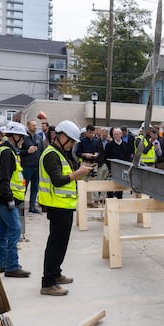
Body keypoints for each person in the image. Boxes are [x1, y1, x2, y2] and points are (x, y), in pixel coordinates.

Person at [38, 120, 94, 296]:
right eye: (70, 141)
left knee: (61, 243)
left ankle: (55, 273)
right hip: (57, 206)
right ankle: (48, 283)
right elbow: (58, 180)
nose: (71, 145)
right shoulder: (51, 155)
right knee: (55, 244)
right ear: (60, 136)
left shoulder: (60, 153)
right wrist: (78, 174)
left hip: (63, 205)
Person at [0, 121, 30, 278]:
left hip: (4, 198)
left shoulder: (7, 151)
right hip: (5, 198)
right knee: (15, 229)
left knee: (5, 231)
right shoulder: (7, 152)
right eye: (22, 137)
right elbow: (3, 179)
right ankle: (12, 266)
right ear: (15, 136)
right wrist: (9, 199)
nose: (23, 141)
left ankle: (1, 264)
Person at [75, 124, 107, 207]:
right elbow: (77, 152)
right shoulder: (81, 141)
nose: (91, 134)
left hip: (94, 163)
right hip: (85, 162)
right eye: (89, 133)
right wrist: (84, 154)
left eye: (92, 133)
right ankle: (82, 201)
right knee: (83, 182)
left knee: (92, 183)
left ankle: (91, 201)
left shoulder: (96, 141)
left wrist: (96, 154)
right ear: (86, 132)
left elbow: (99, 151)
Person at [20, 120, 44, 214]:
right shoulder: (24, 138)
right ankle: (20, 206)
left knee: (35, 188)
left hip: (36, 167)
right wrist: (27, 152)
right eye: (33, 125)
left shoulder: (38, 138)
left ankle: (32, 207)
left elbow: (41, 152)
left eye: (35, 125)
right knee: (23, 188)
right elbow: (18, 151)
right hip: (26, 166)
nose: (35, 127)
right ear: (28, 126)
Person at [104, 128, 129, 199]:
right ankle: (110, 198)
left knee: (120, 186)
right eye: (115, 134)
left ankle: (119, 199)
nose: (116, 136)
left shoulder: (125, 145)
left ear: (121, 135)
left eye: (118, 134)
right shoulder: (109, 145)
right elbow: (106, 157)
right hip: (112, 169)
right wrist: (109, 168)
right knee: (110, 186)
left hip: (122, 169)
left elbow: (127, 157)